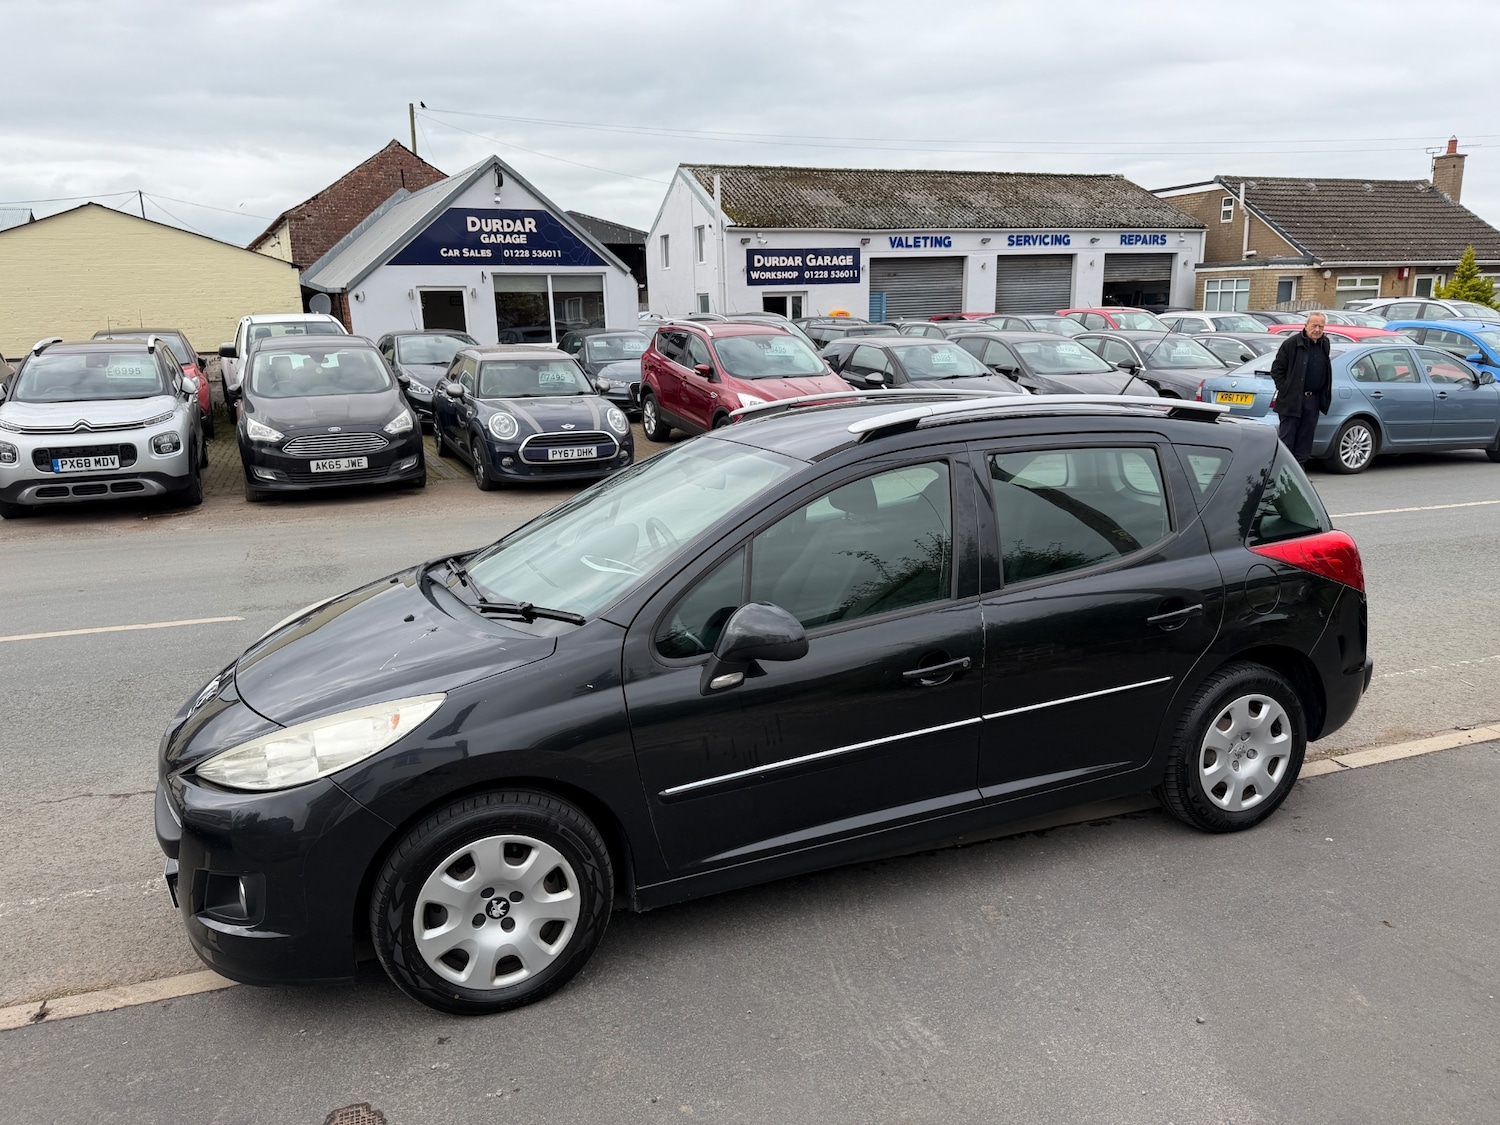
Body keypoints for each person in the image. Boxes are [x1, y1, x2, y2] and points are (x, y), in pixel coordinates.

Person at [1269, 312, 1333, 465]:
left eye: (1321, 326)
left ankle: (1299, 475)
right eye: (1314, 326)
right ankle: (1281, 473)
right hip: (1291, 400)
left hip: (1313, 400)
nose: (1317, 329)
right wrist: (1286, 389)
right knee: (1287, 440)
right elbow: (1277, 370)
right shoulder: (1291, 344)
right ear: (1306, 326)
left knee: (1305, 440)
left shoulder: (1325, 343)